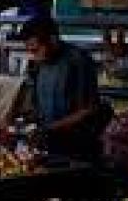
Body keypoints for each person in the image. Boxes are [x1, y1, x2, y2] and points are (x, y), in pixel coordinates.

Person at [18, 15, 106, 161]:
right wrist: (23, 119)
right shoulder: (39, 63)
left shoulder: (78, 60)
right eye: (30, 51)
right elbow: (37, 104)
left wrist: (49, 128)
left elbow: (89, 109)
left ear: (53, 40)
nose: (34, 56)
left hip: (77, 146)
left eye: (36, 50)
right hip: (49, 143)